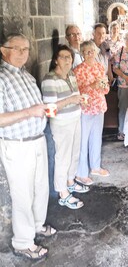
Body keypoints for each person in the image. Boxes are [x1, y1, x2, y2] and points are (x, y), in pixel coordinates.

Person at [0, 33, 56, 260]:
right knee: (22, 194)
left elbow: (36, 106)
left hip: (37, 139)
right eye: (18, 49)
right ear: (4, 51)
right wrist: (29, 113)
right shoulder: (1, 78)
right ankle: (22, 242)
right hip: (18, 145)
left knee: (41, 188)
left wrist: (45, 109)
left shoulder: (27, 76)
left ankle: (36, 225)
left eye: (26, 49)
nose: (24, 53)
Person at [41, 45, 88, 210]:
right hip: (61, 123)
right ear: (55, 60)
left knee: (75, 153)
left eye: (69, 57)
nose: (68, 60)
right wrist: (71, 100)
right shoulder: (50, 79)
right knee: (63, 157)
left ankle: (70, 182)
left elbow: (73, 97)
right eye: (63, 57)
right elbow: (49, 109)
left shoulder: (71, 75)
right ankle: (62, 194)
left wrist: (79, 100)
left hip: (75, 118)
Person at [73, 40, 110, 186]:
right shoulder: (78, 70)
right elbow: (77, 92)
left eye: (92, 51)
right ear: (82, 54)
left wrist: (103, 86)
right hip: (85, 108)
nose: (90, 54)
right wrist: (92, 86)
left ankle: (95, 166)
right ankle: (81, 173)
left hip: (99, 106)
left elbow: (105, 89)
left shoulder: (100, 67)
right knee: (83, 141)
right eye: (87, 51)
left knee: (96, 138)